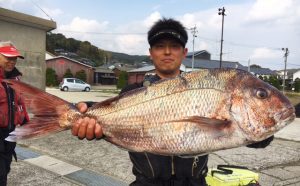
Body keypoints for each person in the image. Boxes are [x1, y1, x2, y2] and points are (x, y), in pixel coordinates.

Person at [71, 18, 273, 186]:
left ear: (184, 52)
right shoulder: (132, 92)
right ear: (151, 53)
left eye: (174, 46)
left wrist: (264, 129)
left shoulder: (202, 86)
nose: (167, 52)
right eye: (160, 46)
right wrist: (85, 115)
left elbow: (255, 138)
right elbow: (112, 112)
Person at [0, 41, 29, 186]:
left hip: (10, 133)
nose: (12, 61)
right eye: (8, 57)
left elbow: (20, 102)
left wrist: (26, 121)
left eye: (14, 58)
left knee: (5, 170)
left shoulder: (15, 78)